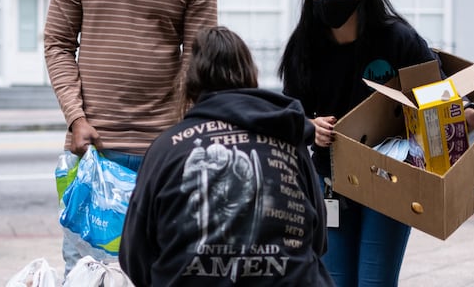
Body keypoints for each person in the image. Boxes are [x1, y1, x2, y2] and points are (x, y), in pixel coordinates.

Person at [278, 0, 474, 287]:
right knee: (335, 281)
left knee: (375, 281)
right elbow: (292, 113)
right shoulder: (304, 47)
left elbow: (438, 94)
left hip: (392, 178)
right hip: (331, 180)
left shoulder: (396, 39)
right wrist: (310, 127)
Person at [43, 0, 218, 276]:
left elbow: (198, 65)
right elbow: (59, 44)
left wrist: (183, 133)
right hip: (94, 150)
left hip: (165, 154)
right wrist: (76, 118)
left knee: (160, 271)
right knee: (87, 272)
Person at [119, 26, 335, 286]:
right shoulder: (289, 141)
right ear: (250, 75)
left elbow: (135, 256)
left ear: (189, 83)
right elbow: (317, 240)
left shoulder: (167, 147)